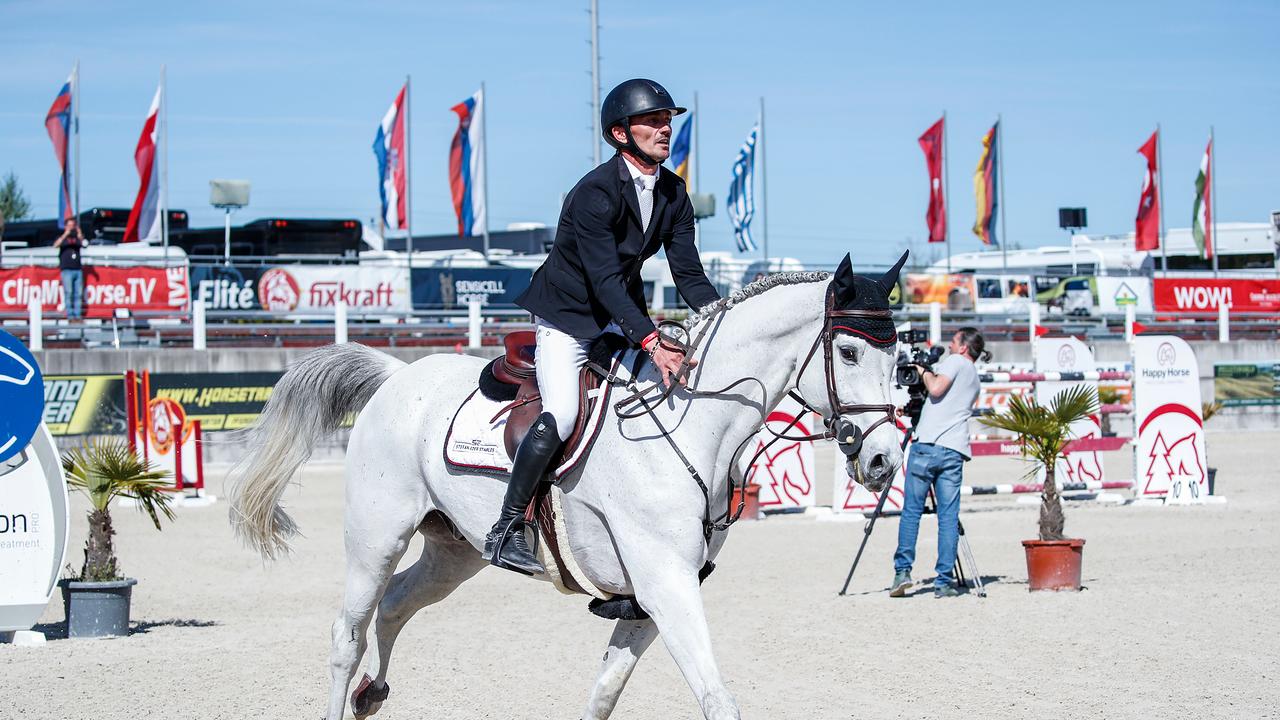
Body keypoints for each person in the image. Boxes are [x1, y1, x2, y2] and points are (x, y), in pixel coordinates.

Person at [482, 78, 722, 575]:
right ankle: (507, 527)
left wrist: (722, 318)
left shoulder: (674, 193)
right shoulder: (593, 193)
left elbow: (690, 273)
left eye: (667, 120)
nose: (664, 128)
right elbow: (605, 278)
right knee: (566, 414)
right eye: (653, 120)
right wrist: (652, 339)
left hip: (617, 317)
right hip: (567, 320)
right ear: (620, 133)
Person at [890, 327, 991, 598]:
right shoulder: (975, 378)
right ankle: (943, 581)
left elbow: (935, 389)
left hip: (927, 447)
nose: (949, 345)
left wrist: (922, 370)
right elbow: (944, 403)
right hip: (954, 449)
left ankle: (902, 571)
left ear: (964, 348)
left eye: (954, 341)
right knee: (948, 517)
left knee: (911, 512)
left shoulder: (956, 362)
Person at [53, 218, 85, 320]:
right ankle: (70, 316)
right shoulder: (63, 238)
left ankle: (78, 316)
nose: (71, 228)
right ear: (66, 226)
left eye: (73, 225)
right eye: (69, 225)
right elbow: (55, 245)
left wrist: (79, 233)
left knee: (78, 294)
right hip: (67, 270)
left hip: (78, 269)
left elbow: (85, 244)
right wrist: (65, 234)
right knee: (69, 293)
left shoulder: (77, 238)